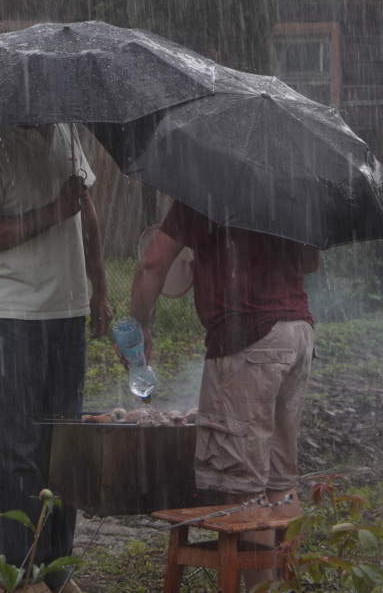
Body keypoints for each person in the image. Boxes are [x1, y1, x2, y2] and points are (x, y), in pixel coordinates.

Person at [0, 122, 112, 593]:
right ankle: (21, 573)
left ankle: (57, 571)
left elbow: (86, 212)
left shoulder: (64, 132)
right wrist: (51, 211)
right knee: (19, 449)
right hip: (14, 317)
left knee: (65, 447)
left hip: (68, 311)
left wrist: (99, 288)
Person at [129, 200, 317, 587]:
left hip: (247, 340)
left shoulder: (204, 189)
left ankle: (260, 588)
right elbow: (310, 262)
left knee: (242, 489)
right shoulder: (287, 186)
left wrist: (138, 325)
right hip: (296, 333)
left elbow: (153, 262)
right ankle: (283, 583)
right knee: (280, 478)